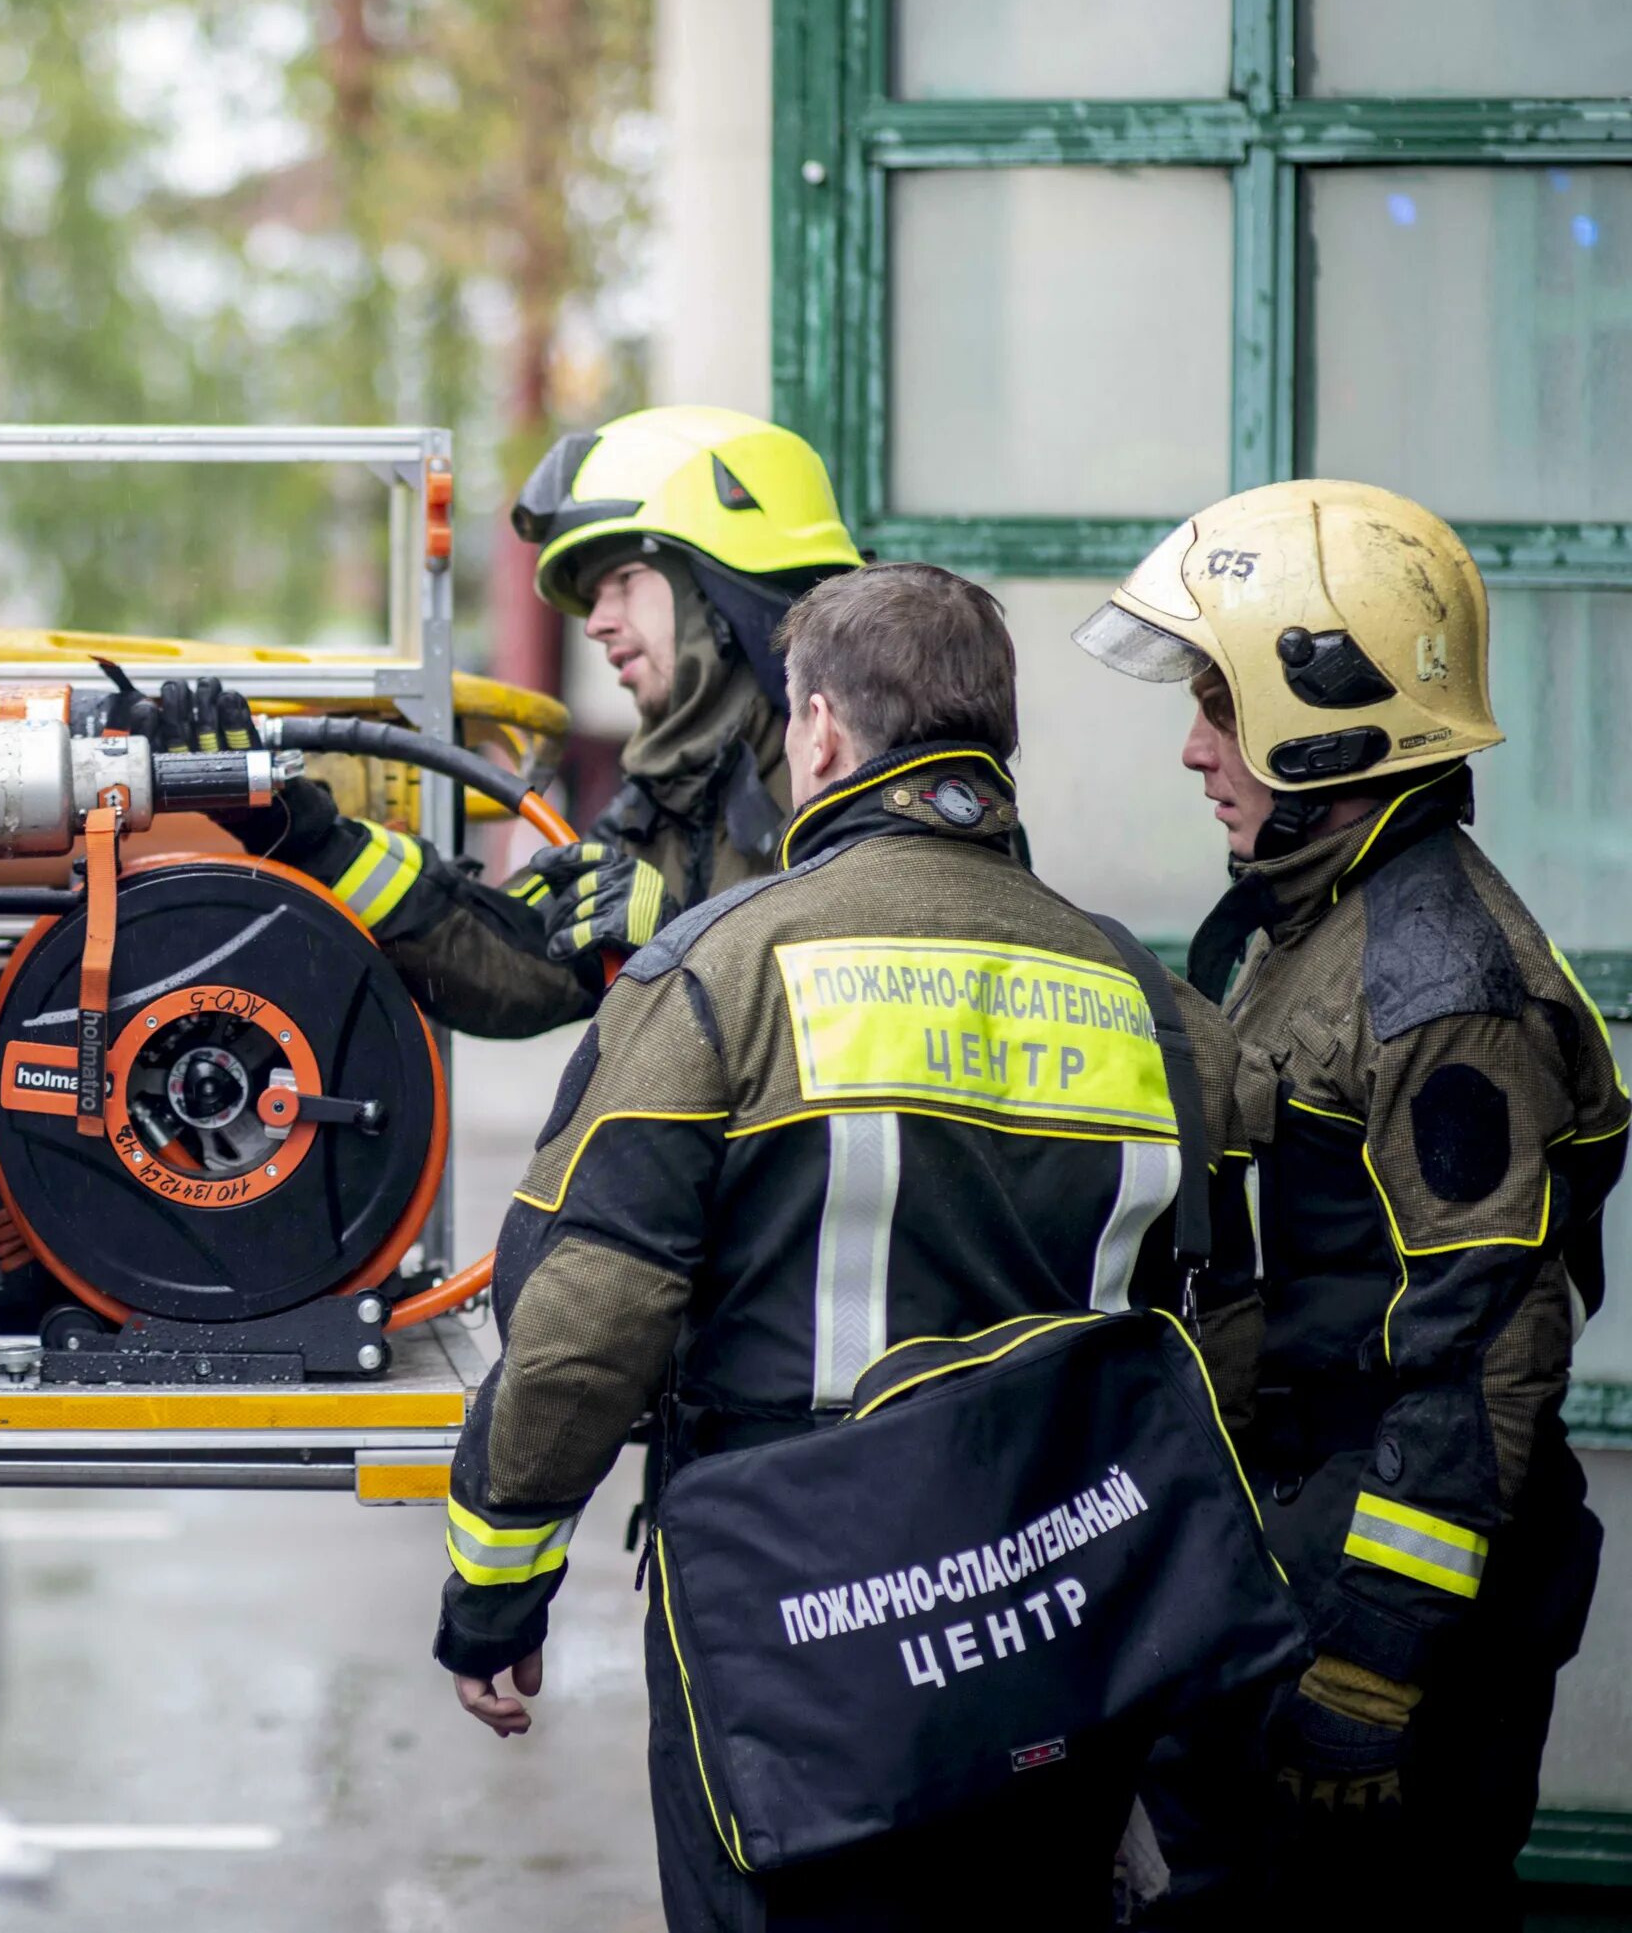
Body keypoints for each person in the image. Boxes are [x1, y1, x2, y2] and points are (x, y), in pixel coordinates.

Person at [433, 563, 1263, 1929]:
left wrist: (495, 1589)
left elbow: (584, 1329)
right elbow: (1220, 1336)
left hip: (796, 1623)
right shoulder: (1154, 1003)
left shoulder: (723, 976)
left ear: (818, 735)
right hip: (1069, 1621)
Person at [1074, 480, 1627, 1927]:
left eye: (1221, 703)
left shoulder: (1439, 985)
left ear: (1334, 712)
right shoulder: (1312, 908)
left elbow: (1488, 1348)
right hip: (1305, 1523)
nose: (1194, 748)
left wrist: (1374, 1662)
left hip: (1397, 1576)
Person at [118, 407, 862, 1035]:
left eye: (623, 582)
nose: (597, 623)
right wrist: (290, 825)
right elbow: (511, 955)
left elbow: (849, 1019)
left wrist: (672, 946)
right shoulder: (666, 800)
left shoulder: (864, 777)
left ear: (724, 592)